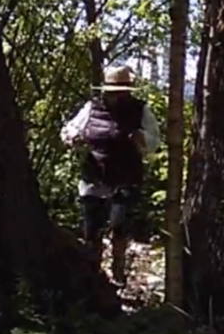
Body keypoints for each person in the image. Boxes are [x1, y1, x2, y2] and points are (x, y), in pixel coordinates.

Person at [60, 65, 160, 288]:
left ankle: (118, 274)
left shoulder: (141, 110)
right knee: (92, 230)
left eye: (121, 91)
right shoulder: (92, 108)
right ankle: (92, 275)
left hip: (126, 178)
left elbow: (154, 143)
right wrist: (71, 138)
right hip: (94, 178)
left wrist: (140, 139)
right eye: (113, 91)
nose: (117, 96)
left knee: (119, 226)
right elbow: (70, 130)